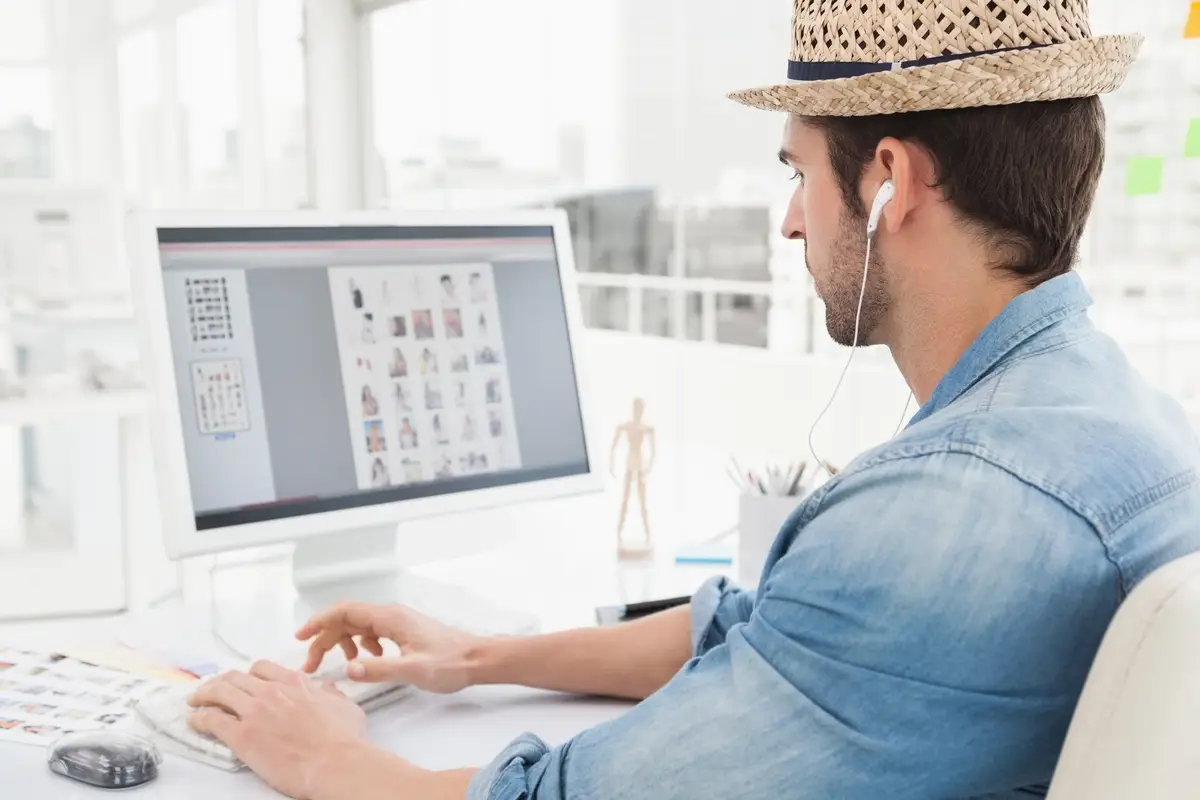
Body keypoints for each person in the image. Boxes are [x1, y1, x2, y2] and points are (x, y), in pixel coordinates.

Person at [184, 2, 1200, 798]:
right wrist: (479, 654)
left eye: (800, 171)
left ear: (891, 180)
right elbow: (765, 631)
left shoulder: (946, 513)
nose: (792, 221)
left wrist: (326, 758)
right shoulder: (1119, 416)